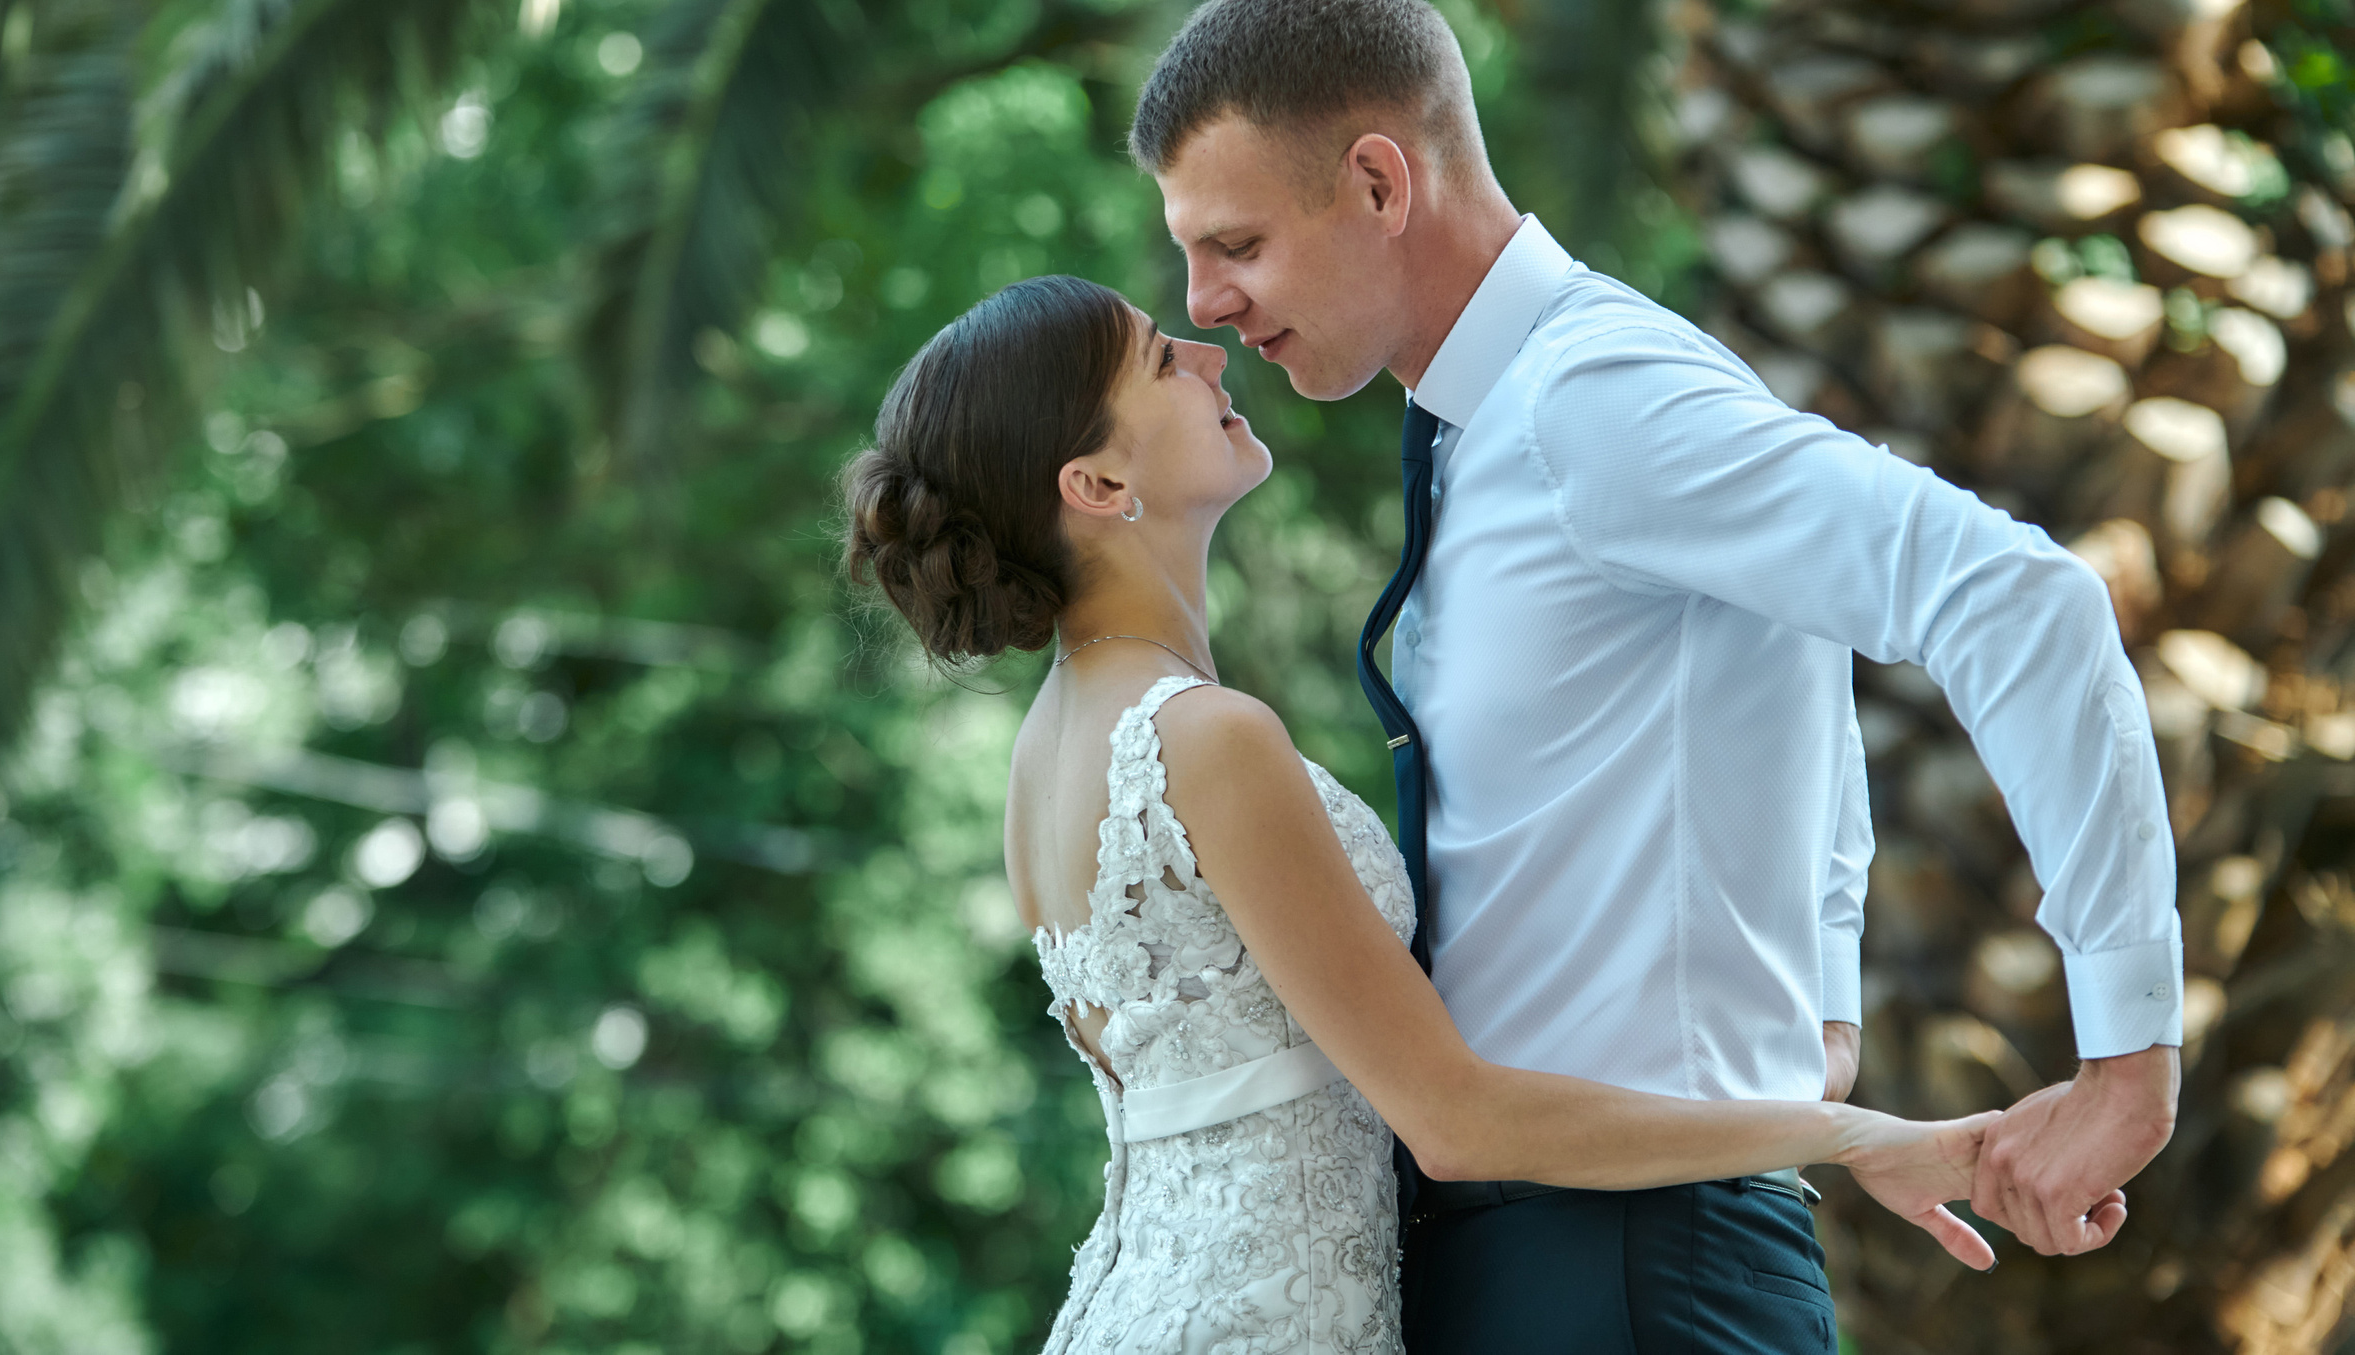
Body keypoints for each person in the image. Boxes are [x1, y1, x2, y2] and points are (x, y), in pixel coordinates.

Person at [1130, 0, 2183, 1351]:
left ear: (1382, 185)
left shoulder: (1596, 396)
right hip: (1573, 1250)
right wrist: (1815, 1003)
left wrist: (2128, 1058)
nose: (1201, 302)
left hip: (1632, 1268)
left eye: (1237, 245)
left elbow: (2014, 594)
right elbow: (1803, 640)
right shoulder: (1498, 411)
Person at [844, 274, 2000, 1354]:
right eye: (1158, 362)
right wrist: (1845, 1134)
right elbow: (1456, 1118)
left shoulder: (1046, 754)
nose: (1205, 352)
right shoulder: (1206, 738)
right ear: (1097, 485)